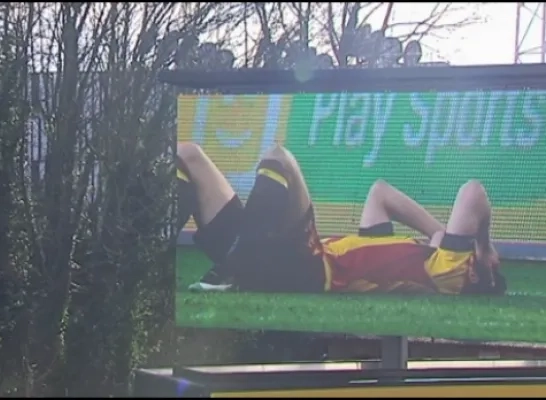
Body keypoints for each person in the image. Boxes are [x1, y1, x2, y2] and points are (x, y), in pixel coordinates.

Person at [176, 142, 506, 296]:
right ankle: (229, 263)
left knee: (280, 157)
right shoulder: (407, 257)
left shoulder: (449, 272)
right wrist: (438, 233)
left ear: (474, 273)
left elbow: (473, 192)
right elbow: (380, 193)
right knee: (187, 153)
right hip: (269, 255)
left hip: (308, 265)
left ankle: (235, 268)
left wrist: (483, 244)